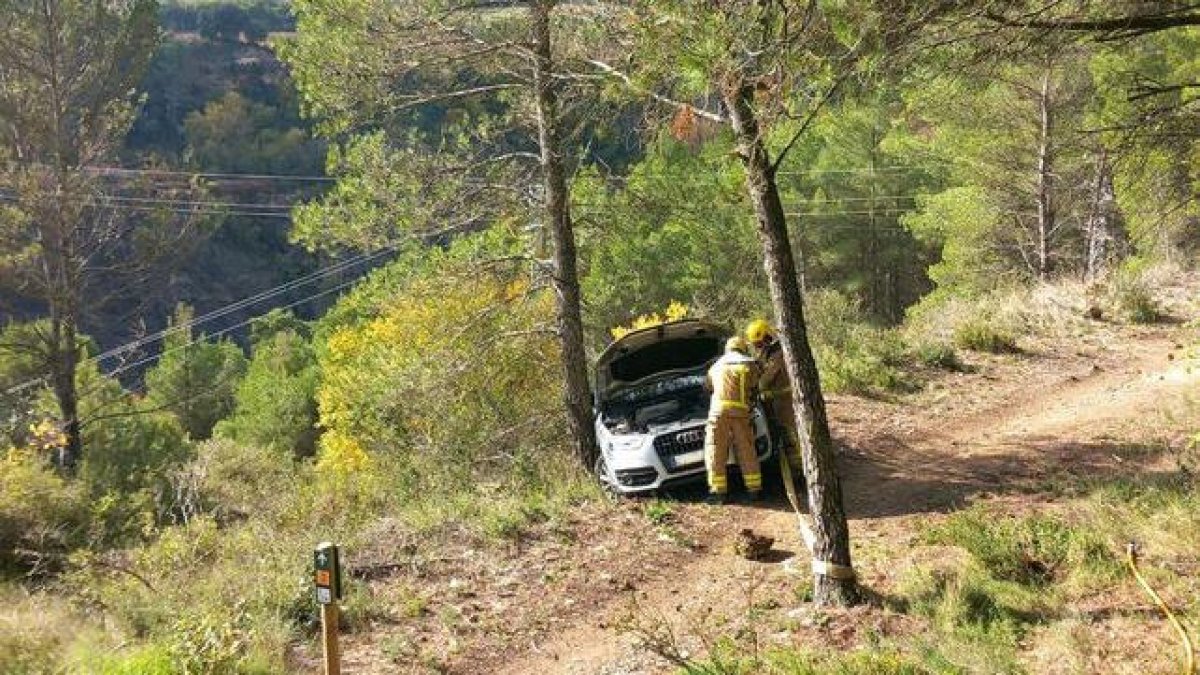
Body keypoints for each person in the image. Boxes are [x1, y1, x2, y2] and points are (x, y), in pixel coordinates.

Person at [703, 336, 763, 505]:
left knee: (716, 448)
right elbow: (756, 385)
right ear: (743, 349)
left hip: (718, 412)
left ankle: (718, 493)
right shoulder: (749, 364)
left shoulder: (715, 366)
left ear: (727, 349)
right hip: (740, 412)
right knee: (746, 449)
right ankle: (754, 491)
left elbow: (708, 387)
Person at [745, 319, 805, 485]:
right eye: (755, 345)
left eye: (758, 343)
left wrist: (755, 385)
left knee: (793, 439)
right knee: (786, 439)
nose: (757, 347)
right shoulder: (767, 352)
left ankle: (803, 473)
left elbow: (766, 378)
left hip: (785, 403)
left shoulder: (778, 353)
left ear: (767, 338)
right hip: (776, 404)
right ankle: (796, 471)